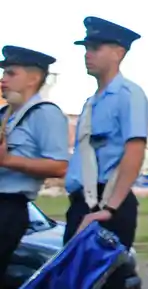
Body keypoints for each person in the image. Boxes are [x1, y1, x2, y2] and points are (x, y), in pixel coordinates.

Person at [63, 18, 148, 260]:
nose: (87, 55)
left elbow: (135, 150)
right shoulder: (91, 102)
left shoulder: (129, 95)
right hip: (83, 204)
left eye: (95, 48)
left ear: (118, 52)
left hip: (107, 205)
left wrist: (110, 208)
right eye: (86, 48)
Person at [0, 46, 69, 270]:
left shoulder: (45, 114)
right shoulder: (4, 114)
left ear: (33, 78)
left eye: (11, 73)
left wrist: (8, 161)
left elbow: (59, 166)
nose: (3, 79)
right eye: (3, 73)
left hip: (9, 208)